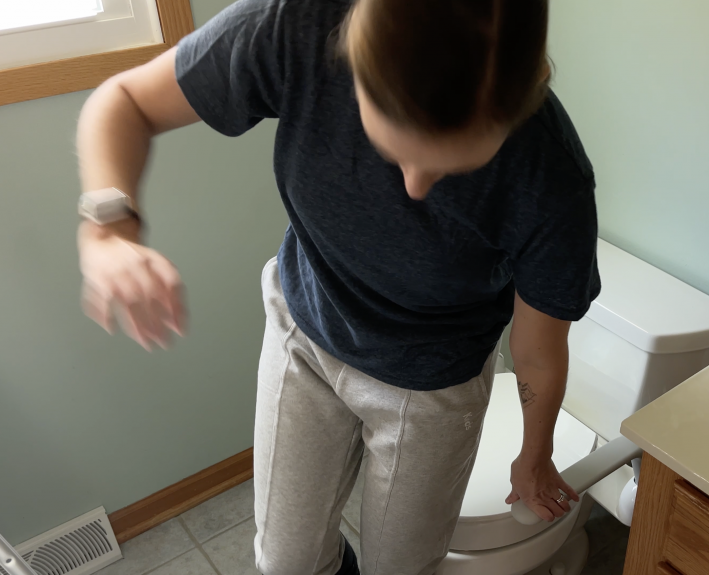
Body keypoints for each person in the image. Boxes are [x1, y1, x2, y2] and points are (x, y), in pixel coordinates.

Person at [74, 0, 599, 573]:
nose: (416, 188)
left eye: (450, 166)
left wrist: (536, 452)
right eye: (393, 150)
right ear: (349, 66)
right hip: (305, 330)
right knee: (286, 562)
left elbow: (538, 350)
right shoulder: (297, 27)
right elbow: (122, 102)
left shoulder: (553, 181)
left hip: (432, 383)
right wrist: (109, 230)